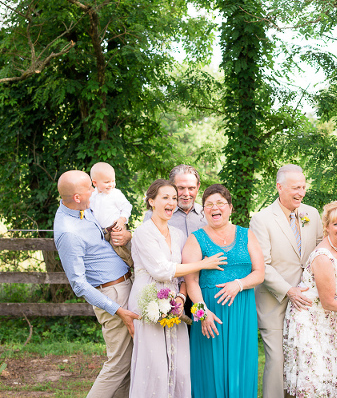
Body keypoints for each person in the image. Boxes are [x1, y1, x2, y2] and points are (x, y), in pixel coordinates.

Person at [127, 179, 226, 398]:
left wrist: (181, 297)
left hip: (174, 303)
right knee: (155, 368)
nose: (171, 202)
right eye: (165, 197)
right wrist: (203, 263)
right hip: (148, 301)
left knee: (180, 368)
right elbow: (161, 270)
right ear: (151, 201)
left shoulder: (179, 235)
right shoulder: (143, 233)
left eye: (173, 198)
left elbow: (183, 273)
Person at [54, 170, 138, 398]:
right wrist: (117, 310)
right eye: (88, 188)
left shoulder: (83, 210)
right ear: (77, 197)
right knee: (118, 364)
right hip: (112, 295)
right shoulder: (68, 232)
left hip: (123, 285)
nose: (94, 190)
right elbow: (78, 284)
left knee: (129, 363)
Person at [183, 183, 265, 398]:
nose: (214, 208)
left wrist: (238, 284)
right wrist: (201, 311)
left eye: (220, 203)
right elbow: (191, 281)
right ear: (204, 211)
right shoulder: (195, 239)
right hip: (210, 313)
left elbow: (259, 273)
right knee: (210, 369)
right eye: (208, 204)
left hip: (242, 312)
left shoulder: (247, 235)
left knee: (241, 366)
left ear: (230, 207)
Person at [251, 164, 324, 398]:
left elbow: (322, 250)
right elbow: (263, 264)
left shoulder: (312, 214)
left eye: (303, 187)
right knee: (277, 358)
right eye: (295, 188)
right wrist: (289, 290)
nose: (301, 192)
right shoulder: (261, 219)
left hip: (307, 299)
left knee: (304, 357)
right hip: (275, 300)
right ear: (279, 187)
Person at [283, 201, 337, 397]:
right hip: (309, 317)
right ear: (326, 227)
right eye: (336, 224)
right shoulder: (323, 257)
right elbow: (328, 302)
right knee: (315, 379)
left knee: (330, 377)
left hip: (329, 319)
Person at [90, 162, 134, 267]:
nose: (111, 184)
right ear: (95, 183)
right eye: (107, 182)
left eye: (113, 181)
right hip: (100, 232)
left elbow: (127, 207)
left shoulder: (115, 194)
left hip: (115, 228)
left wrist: (122, 220)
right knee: (104, 255)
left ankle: (131, 266)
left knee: (121, 252)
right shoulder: (92, 196)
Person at [145, 164, 207, 237]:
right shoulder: (153, 215)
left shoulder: (207, 214)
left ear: (198, 187)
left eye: (191, 188)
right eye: (181, 188)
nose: (186, 194)